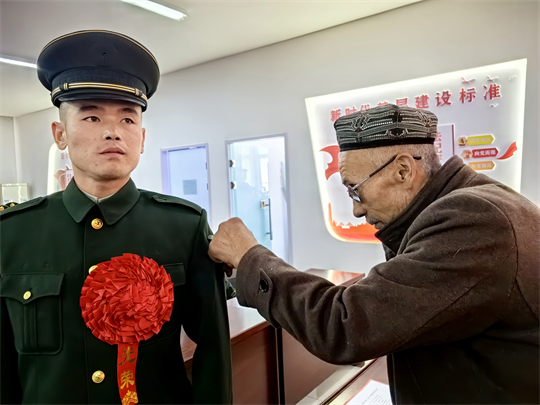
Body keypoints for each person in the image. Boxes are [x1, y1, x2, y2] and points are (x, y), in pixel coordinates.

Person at [209, 104, 540, 404]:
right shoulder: (480, 201)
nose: (355, 210)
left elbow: (345, 325)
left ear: (403, 171)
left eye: (355, 189)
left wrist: (248, 256)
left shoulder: (473, 220)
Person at [0, 30, 232, 404]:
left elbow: (213, 355)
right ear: (60, 134)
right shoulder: (12, 233)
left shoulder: (183, 227)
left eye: (127, 119)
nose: (112, 132)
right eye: (91, 116)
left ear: (142, 137)